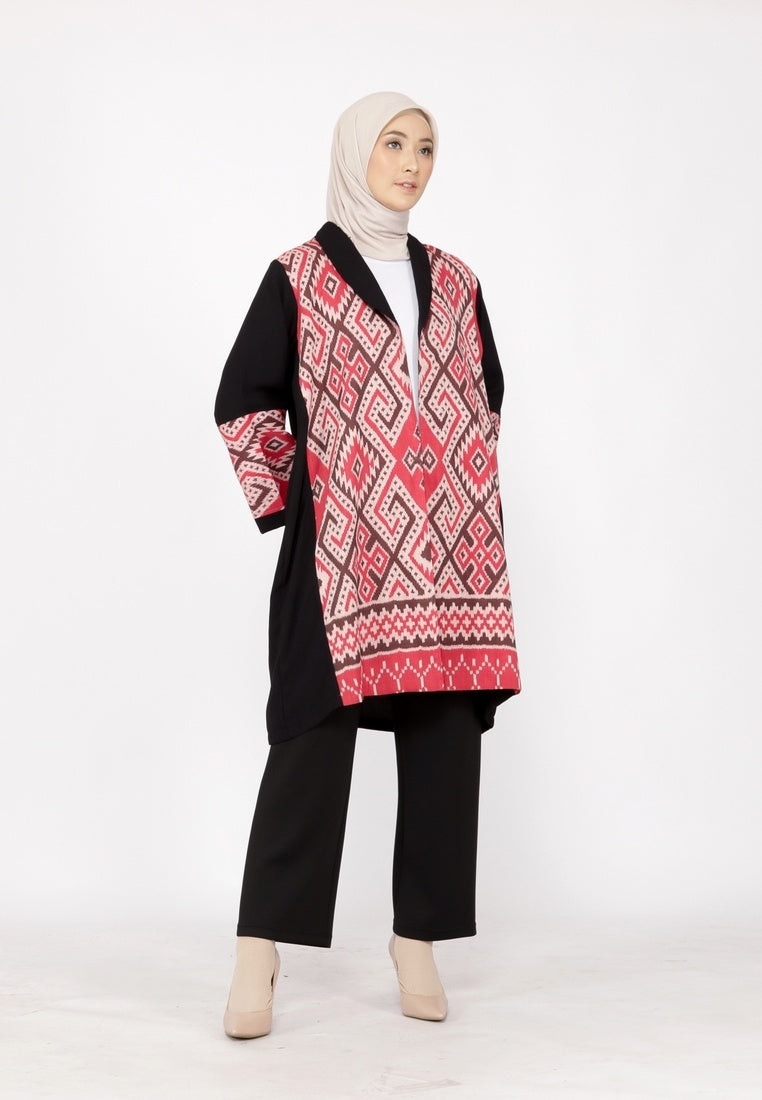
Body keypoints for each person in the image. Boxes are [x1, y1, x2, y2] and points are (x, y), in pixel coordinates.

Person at [213, 90, 522, 1039]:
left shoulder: (458, 281)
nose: (412, 163)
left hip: (449, 556)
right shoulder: (299, 276)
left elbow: (486, 394)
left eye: (426, 147)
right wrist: (301, 507)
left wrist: (451, 492)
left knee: (444, 743)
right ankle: (259, 950)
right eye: (394, 143)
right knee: (310, 739)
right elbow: (244, 401)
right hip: (340, 553)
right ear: (356, 151)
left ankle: (416, 939)